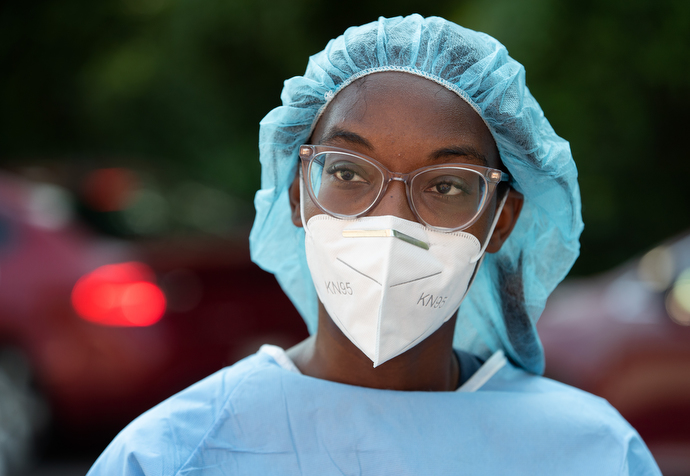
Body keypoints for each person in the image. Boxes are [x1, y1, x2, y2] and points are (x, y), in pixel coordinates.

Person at [87, 15, 661, 475]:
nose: (390, 223)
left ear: (500, 221)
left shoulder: (591, 453)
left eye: (446, 185)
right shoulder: (173, 454)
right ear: (297, 198)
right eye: (347, 174)